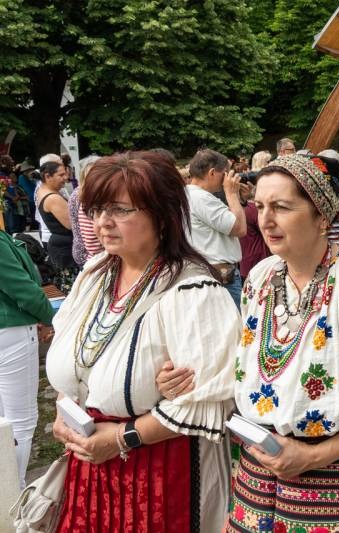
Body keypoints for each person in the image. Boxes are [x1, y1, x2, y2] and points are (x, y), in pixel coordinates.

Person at [163, 154, 339, 532]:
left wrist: (312, 456)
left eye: (282, 207)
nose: (266, 220)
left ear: (322, 217)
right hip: (259, 473)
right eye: (260, 206)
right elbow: (245, 365)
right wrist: (181, 379)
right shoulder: (261, 277)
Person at [45, 151, 239, 531]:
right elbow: (73, 358)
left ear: (161, 216)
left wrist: (121, 437)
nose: (103, 222)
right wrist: (63, 415)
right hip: (90, 470)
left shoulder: (193, 291)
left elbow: (206, 403)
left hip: (158, 475)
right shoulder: (95, 274)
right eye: (97, 209)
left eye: (120, 210)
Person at [0, 230, 54, 488]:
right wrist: (50, 318)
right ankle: (14, 491)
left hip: (10, 331)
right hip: (11, 332)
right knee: (20, 421)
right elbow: (22, 288)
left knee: (5, 421)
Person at [186, 149, 246, 303]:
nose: (227, 178)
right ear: (212, 172)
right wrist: (232, 194)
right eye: (224, 173)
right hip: (221, 277)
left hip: (206, 273)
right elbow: (240, 228)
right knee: (236, 319)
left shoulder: (187, 194)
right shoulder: (201, 198)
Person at [36, 160, 79, 291]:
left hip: (61, 246)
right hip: (65, 249)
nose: (66, 178)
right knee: (73, 290)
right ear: (47, 176)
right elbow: (72, 224)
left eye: (65, 174)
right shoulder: (53, 198)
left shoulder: (43, 191)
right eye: (61, 175)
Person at [67, 155, 103, 267]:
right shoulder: (88, 197)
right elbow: (91, 241)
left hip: (87, 256)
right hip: (95, 259)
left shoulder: (79, 193)